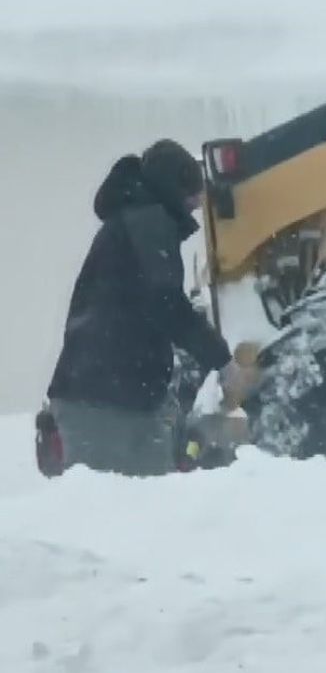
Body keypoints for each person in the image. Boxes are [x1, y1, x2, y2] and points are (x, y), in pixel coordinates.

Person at [45, 139, 251, 477]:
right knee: (141, 515)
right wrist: (223, 362)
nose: (196, 208)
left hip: (92, 394)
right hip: (110, 408)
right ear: (176, 191)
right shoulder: (149, 223)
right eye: (193, 199)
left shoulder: (129, 222)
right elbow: (165, 303)